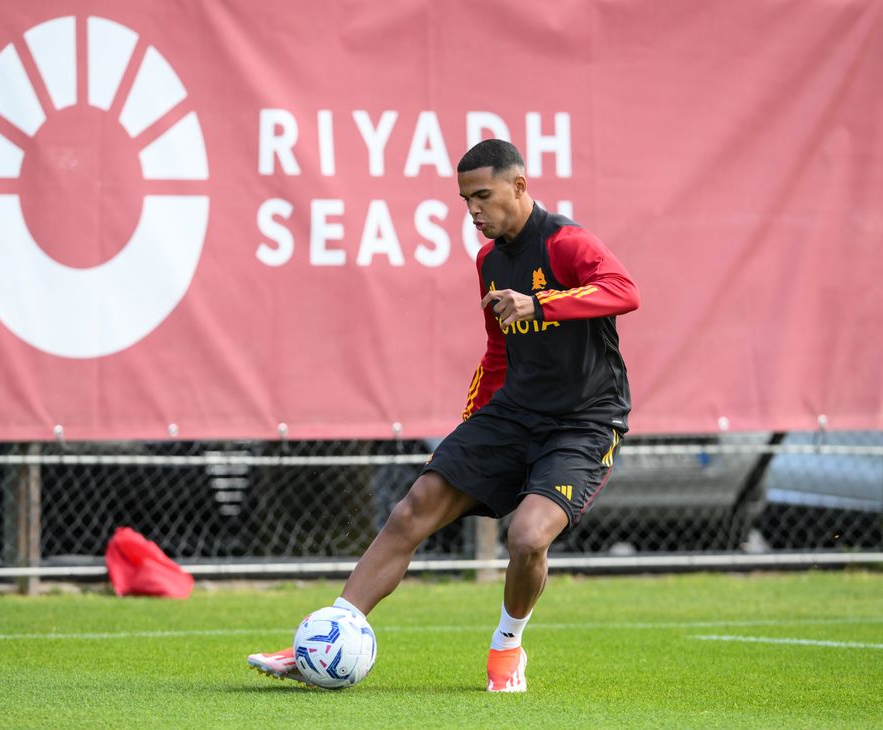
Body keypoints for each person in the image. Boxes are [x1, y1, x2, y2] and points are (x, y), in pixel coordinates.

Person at [247, 139, 640, 692]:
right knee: (413, 508)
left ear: (520, 186)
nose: (473, 210)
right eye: (465, 199)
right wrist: (476, 424)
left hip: (584, 423)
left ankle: (507, 648)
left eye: (483, 195)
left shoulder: (566, 243)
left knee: (527, 537)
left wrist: (542, 302)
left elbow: (624, 290)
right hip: (512, 415)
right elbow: (499, 352)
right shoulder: (490, 260)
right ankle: (325, 639)